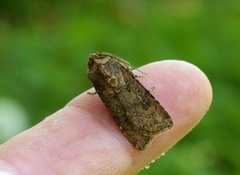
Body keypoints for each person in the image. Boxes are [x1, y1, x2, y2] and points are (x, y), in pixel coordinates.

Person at [0, 60, 212, 175]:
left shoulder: (95, 76)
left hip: (120, 110)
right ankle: (154, 125)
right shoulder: (112, 68)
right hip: (142, 104)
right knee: (131, 97)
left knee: (119, 106)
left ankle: (142, 134)